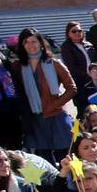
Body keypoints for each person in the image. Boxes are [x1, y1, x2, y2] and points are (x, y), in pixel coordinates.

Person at [11, 28, 76, 166]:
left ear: (41, 43)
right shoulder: (18, 66)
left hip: (56, 116)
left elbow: (72, 88)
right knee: (44, 161)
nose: (30, 45)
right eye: (26, 42)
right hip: (34, 118)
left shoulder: (53, 63)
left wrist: (56, 103)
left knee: (65, 158)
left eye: (33, 41)